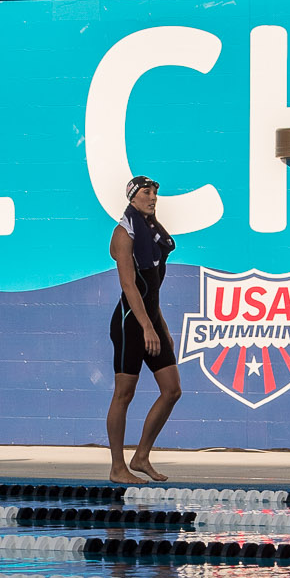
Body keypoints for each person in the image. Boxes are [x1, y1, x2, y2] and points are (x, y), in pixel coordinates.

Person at [106, 176, 182, 484]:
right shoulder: (124, 233)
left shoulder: (152, 233)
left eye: (154, 193)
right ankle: (117, 467)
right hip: (130, 323)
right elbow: (129, 285)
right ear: (133, 198)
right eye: (146, 193)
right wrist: (147, 327)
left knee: (172, 390)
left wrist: (160, 326)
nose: (152, 198)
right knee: (124, 394)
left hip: (150, 320)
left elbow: (152, 291)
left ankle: (141, 456)